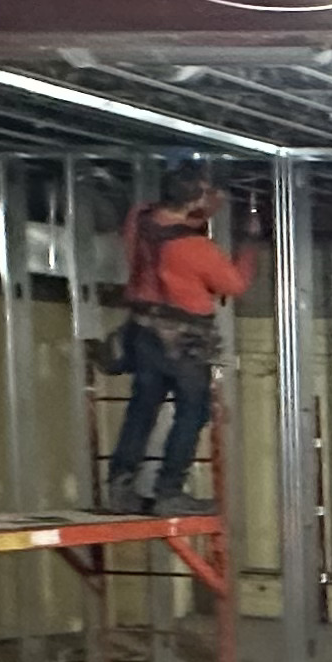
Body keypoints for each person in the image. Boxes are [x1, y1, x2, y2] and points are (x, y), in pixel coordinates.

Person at [106, 168, 248, 513]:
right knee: (192, 411)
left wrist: (197, 210)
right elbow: (233, 285)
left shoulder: (139, 220)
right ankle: (169, 492)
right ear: (196, 200)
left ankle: (120, 488)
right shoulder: (195, 247)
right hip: (183, 339)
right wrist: (249, 248)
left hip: (142, 332)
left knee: (143, 407)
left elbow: (165, 220)